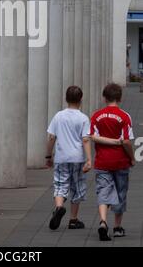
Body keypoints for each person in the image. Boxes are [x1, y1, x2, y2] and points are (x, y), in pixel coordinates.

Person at [90, 83, 135, 241]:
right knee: (120, 192)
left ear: (104, 98)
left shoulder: (96, 116)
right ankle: (117, 227)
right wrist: (132, 158)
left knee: (103, 191)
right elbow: (127, 142)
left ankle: (103, 222)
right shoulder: (124, 116)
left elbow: (92, 136)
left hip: (102, 161)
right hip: (120, 161)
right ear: (120, 98)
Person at [45, 86, 92, 231]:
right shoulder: (83, 118)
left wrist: (48, 155)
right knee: (77, 187)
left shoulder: (59, 116)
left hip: (61, 157)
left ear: (66, 99)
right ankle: (73, 219)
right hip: (77, 157)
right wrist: (89, 159)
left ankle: (59, 207)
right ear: (81, 100)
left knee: (60, 184)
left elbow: (52, 137)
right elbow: (85, 139)